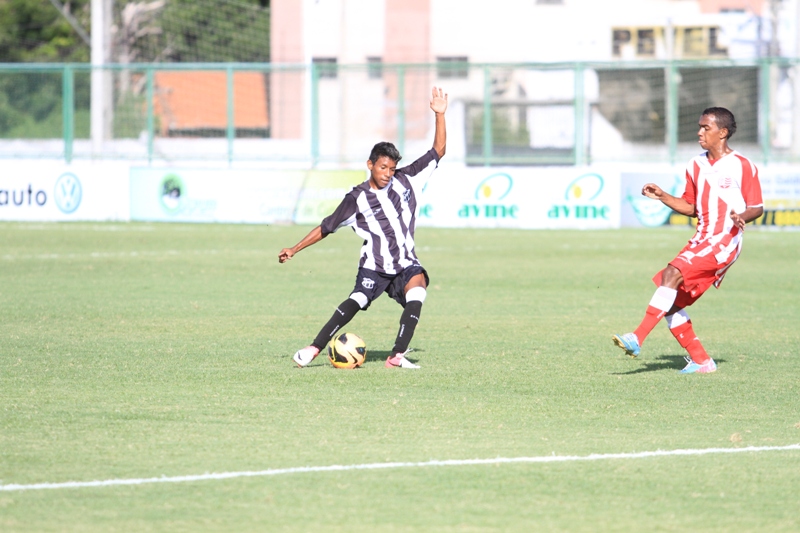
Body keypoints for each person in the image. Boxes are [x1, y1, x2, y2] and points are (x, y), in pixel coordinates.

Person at [278, 86, 448, 369]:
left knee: (418, 291)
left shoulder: (408, 180)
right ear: (370, 165)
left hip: (405, 263)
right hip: (374, 266)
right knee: (356, 299)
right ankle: (313, 348)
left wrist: (440, 115)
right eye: (383, 167)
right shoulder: (356, 199)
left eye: (392, 168)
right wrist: (295, 248)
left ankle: (396, 357)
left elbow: (438, 151)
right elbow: (326, 227)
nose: (388, 173)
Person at [612, 107, 763, 374]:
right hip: (701, 237)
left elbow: (757, 206)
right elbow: (690, 206)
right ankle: (702, 361)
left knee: (672, 273)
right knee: (671, 302)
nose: (700, 132)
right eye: (700, 127)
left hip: (725, 239)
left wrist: (742, 216)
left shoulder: (742, 165)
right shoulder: (695, 164)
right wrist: (663, 196)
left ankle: (637, 337)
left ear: (723, 132)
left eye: (706, 127)